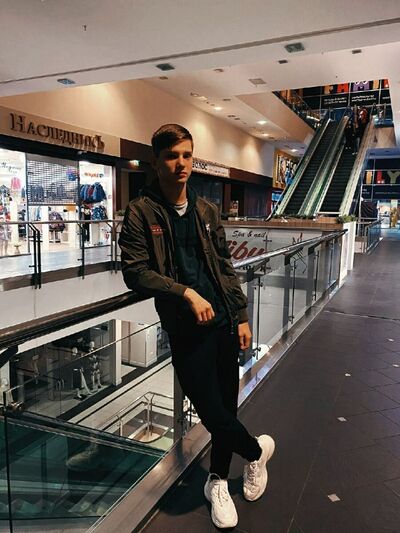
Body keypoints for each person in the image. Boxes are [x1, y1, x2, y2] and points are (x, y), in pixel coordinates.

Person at [119, 124, 275, 529]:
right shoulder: (141, 213)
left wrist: (241, 315)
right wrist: (185, 292)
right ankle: (257, 452)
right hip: (186, 331)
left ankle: (217, 480)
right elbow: (135, 272)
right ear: (156, 162)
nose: (181, 163)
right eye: (172, 156)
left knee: (226, 407)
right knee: (210, 410)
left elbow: (224, 267)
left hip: (223, 322)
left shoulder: (206, 210)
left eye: (187, 155)